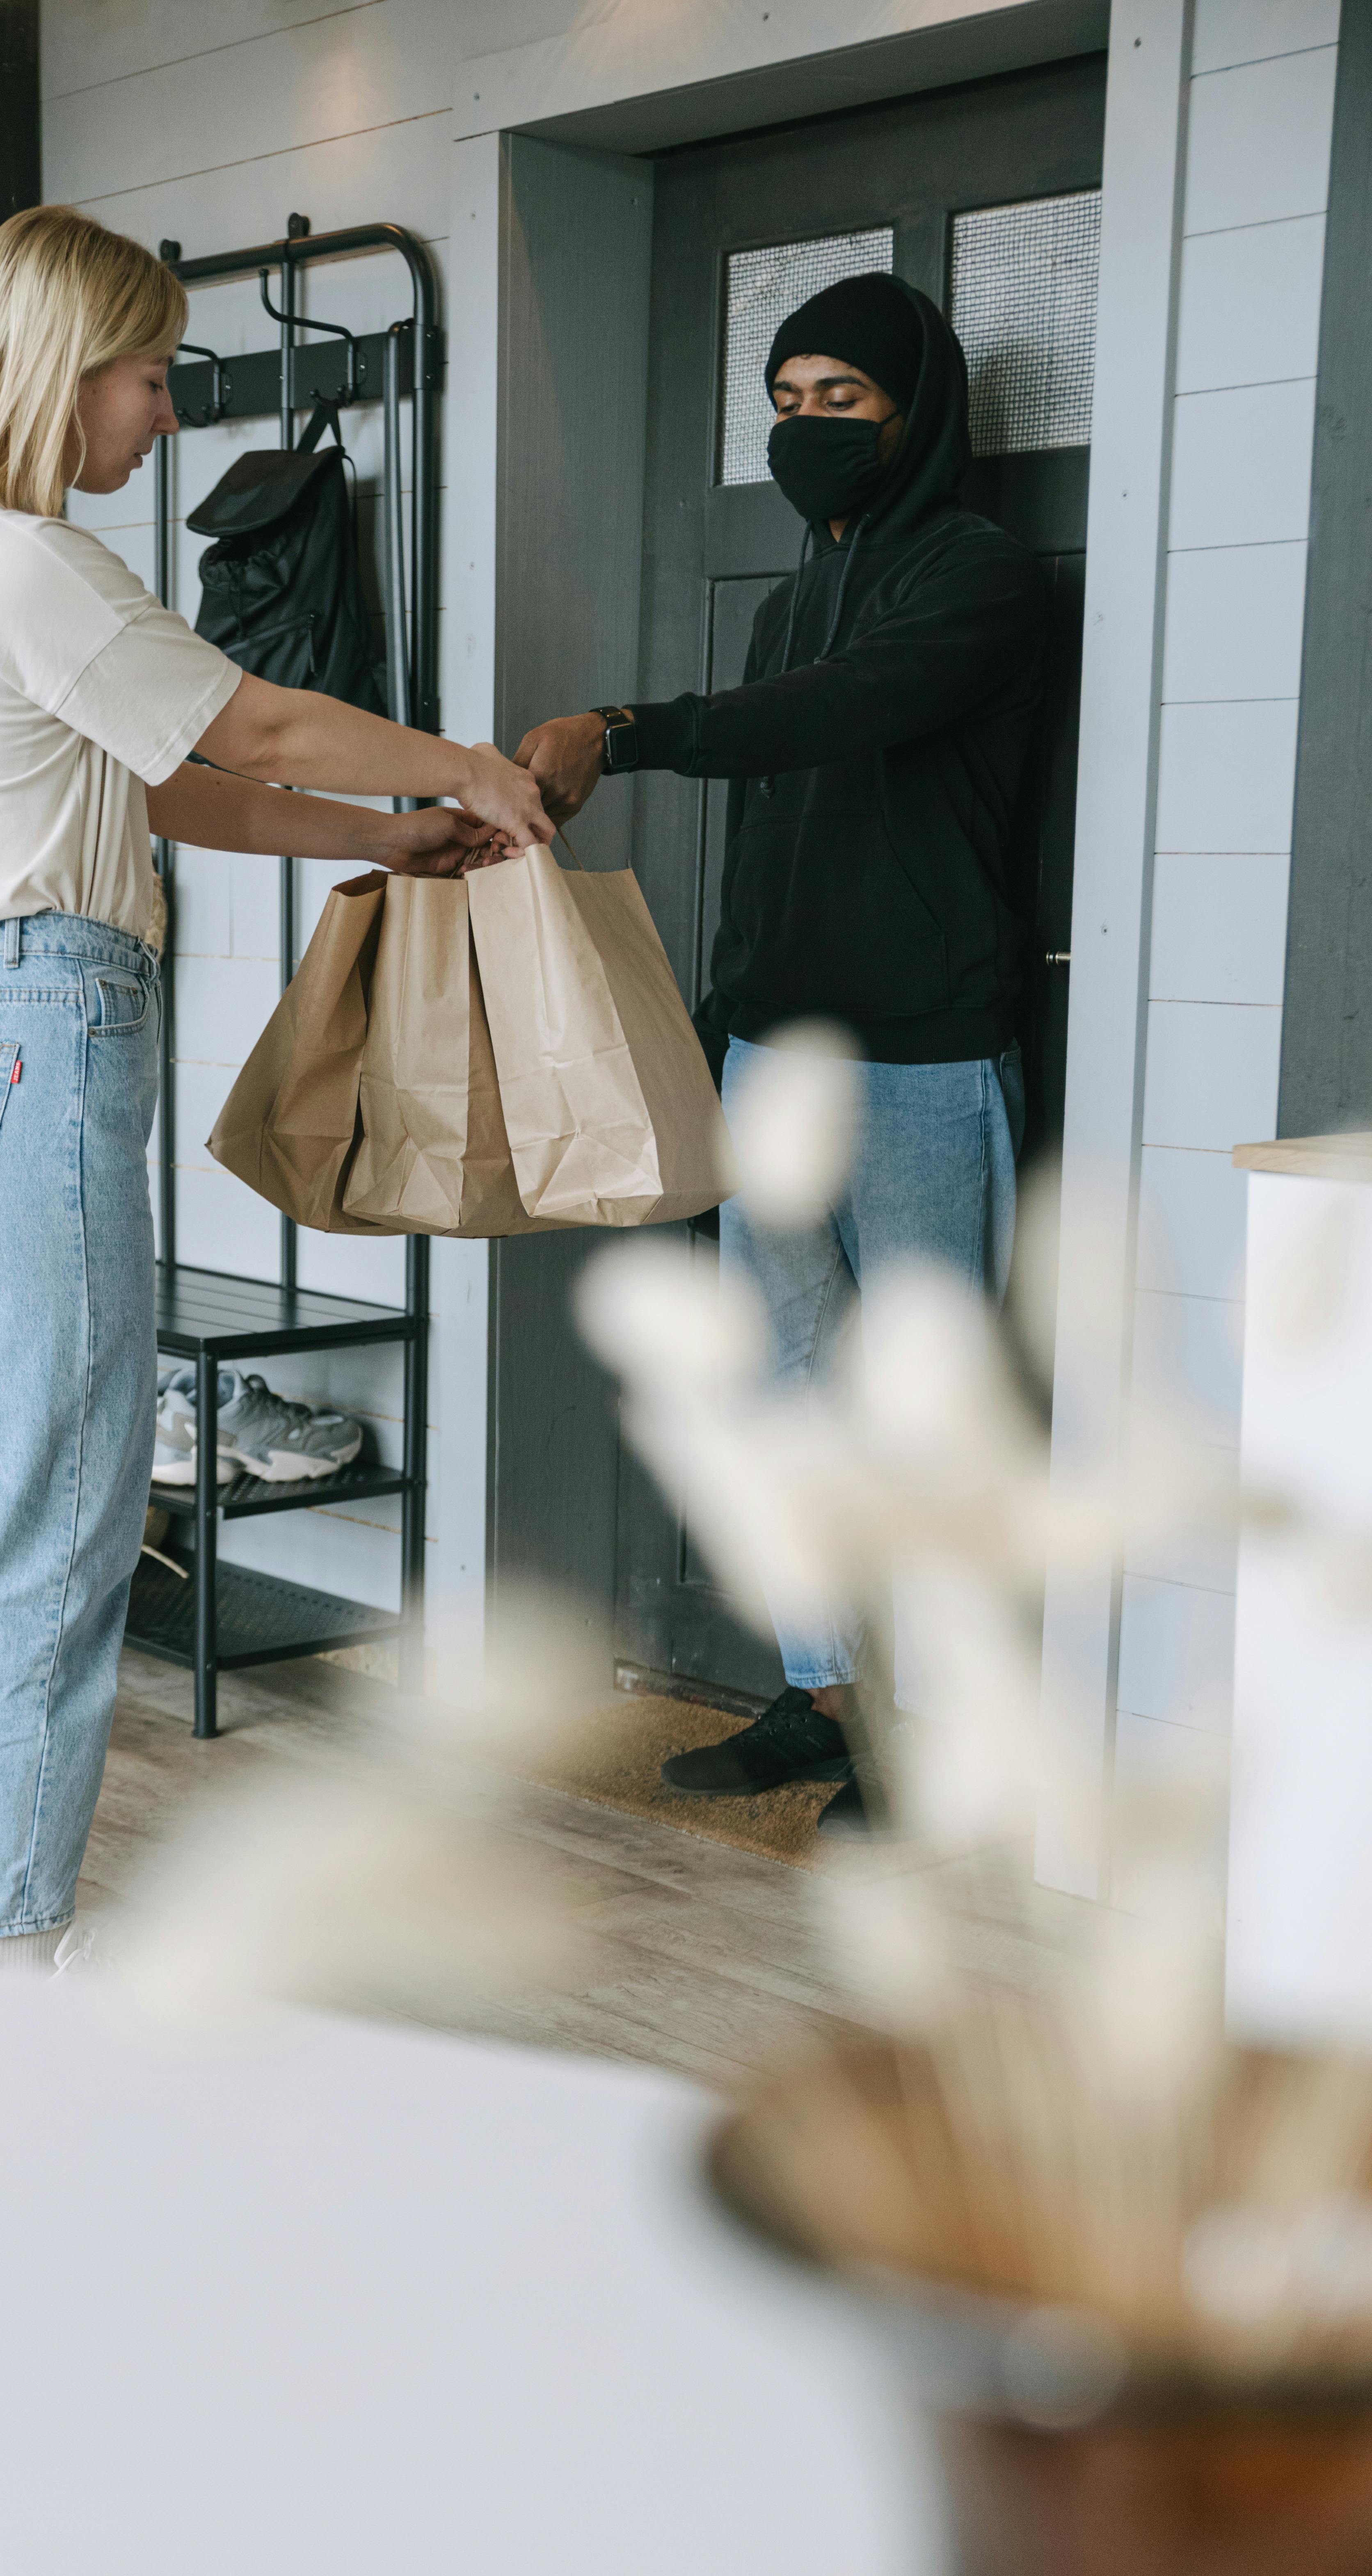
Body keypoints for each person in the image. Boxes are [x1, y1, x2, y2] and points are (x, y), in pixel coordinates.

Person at [0, 205, 549, 1971]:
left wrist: (395, 841)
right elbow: (261, 729)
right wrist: (467, 761)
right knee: (58, 1530)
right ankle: (7, 1955)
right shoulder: (23, 558)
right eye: (152, 377)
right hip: (24, 1054)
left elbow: (176, 792)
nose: (165, 417)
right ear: (61, 370)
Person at [515, 272, 1048, 1825]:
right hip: (774, 1056)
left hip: (926, 1064)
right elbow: (779, 829)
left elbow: (842, 712)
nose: (809, 426)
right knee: (780, 1395)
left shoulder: (984, 577)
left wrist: (624, 727)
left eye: (846, 400)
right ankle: (827, 1694)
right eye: (791, 397)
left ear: (915, 412)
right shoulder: (783, 596)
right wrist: (716, 1029)